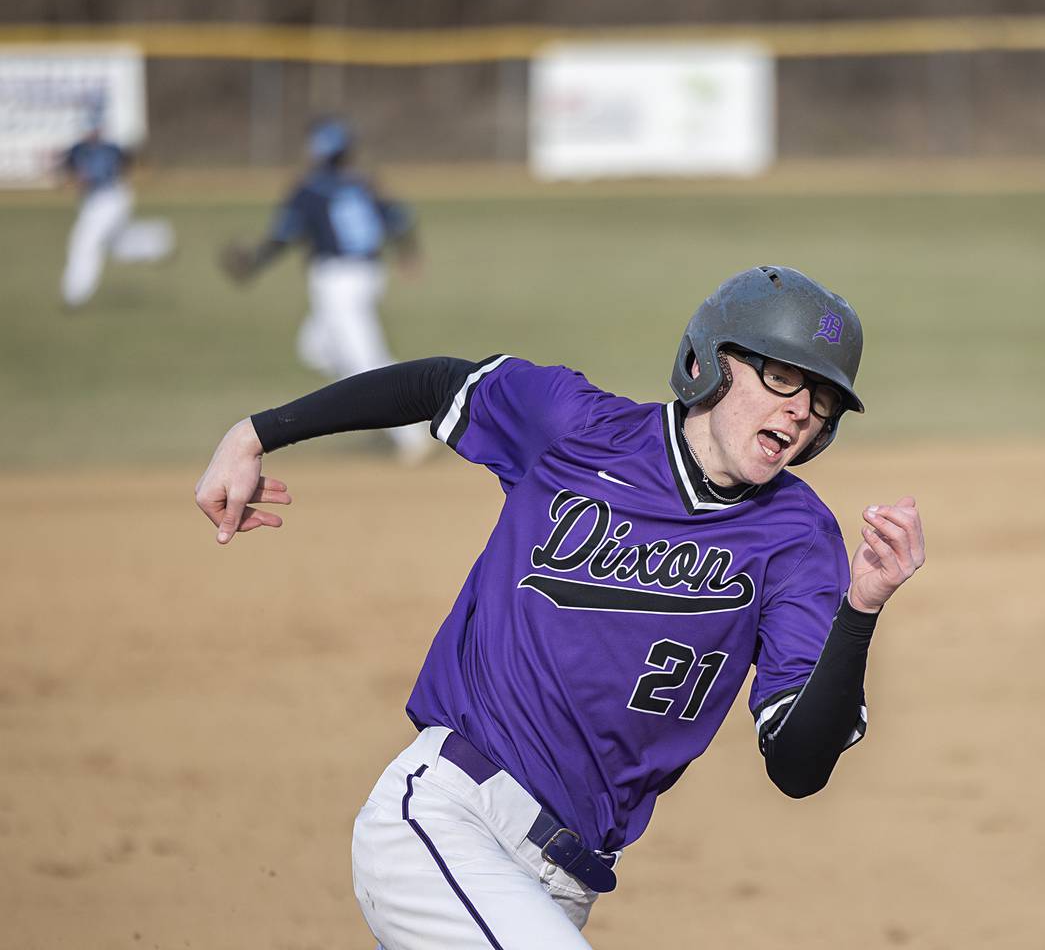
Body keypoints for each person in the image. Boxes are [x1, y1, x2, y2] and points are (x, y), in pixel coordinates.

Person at [194, 265, 925, 949]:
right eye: (782, 376)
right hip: (448, 818)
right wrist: (254, 434)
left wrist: (861, 609)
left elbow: (799, 766)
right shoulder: (577, 428)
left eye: (821, 403)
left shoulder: (798, 539)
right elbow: (440, 384)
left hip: (563, 885)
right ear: (711, 359)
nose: (799, 412)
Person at [219, 116, 430, 464]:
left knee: (365, 359)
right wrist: (408, 253)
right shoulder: (363, 183)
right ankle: (373, 402)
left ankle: (413, 432)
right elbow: (400, 218)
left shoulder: (309, 189)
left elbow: (283, 236)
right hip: (367, 274)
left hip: (337, 280)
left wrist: (254, 262)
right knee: (315, 348)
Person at [58, 109, 175, 308]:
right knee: (117, 244)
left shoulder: (110, 149)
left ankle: (74, 294)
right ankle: (159, 243)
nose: (91, 132)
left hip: (110, 199)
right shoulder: (77, 150)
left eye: (94, 128)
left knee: (85, 242)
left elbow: (128, 162)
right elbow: (67, 171)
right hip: (92, 204)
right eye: (88, 129)